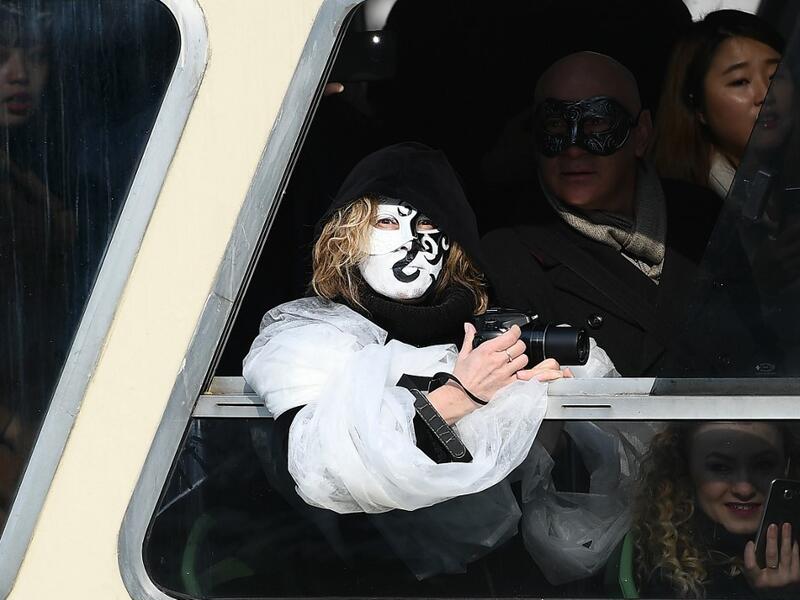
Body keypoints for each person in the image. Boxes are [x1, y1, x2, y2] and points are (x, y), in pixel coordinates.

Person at [482, 51, 722, 376]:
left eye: (597, 122)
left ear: (641, 133)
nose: (574, 147)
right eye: (555, 124)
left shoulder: (705, 218)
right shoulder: (506, 255)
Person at [632, 421, 800, 598]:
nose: (745, 489)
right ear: (685, 469)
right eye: (720, 467)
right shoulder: (663, 564)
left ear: (787, 468)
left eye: (763, 465)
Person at [651, 10, 787, 199]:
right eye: (740, 82)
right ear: (698, 106)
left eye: (776, 75)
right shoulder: (688, 205)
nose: (765, 94)